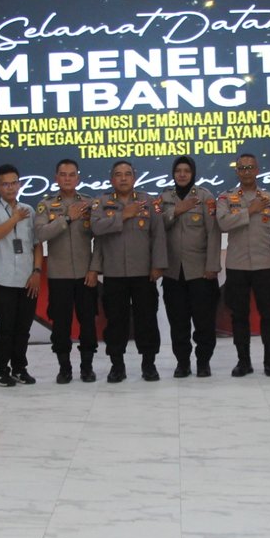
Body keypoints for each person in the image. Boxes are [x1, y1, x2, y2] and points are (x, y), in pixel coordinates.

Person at [91, 160, 168, 383]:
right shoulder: (101, 203)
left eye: (127, 174)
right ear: (111, 179)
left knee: (147, 320)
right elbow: (96, 228)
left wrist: (158, 265)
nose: (123, 178)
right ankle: (117, 365)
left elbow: (158, 235)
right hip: (114, 273)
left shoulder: (148, 202)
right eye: (118, 174)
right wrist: (122, 215)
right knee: (116, 321)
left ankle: (149, 364)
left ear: (134, 178)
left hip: (144, 273)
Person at [217, 151, 270, 377]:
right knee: (239, 315)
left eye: (250, 167)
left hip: (265, 265)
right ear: (237, 171)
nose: (246, 171)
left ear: (257, 170)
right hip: (237, 266)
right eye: (242, 168)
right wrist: (250, 211)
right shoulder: (225, 198)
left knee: (269, 315)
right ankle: (243, 362)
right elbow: (223, 224)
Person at [35, 158, 99, 384]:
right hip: (59, 275)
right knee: (60, 324)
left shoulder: (90, 203)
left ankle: (87, 367)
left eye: (72, 175)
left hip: (85, 274)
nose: (68, 179)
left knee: (88, 321)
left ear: (78, 178)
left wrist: (94, 269)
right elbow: (40, 234)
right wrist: (67, 218)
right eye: (63, 174)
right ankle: (64, 368)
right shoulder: (46, 205)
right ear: (56, 178)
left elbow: (100, 239)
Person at [158, 155, 221, 378]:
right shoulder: (164, 198)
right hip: (173, 272)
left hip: (200, 271)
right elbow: (156, 228)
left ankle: (203, 362)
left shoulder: (205, 197)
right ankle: (182, 363)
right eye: (178, 171)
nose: (182, 174)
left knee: (204, 322)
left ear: (193, 173)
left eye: (186, 171)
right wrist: (176, 210)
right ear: (173, 174)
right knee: (178, 322)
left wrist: (212, 265)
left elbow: (213, 233)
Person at [0, 163, 40, 386]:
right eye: (5, 184)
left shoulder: (29, 210)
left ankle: (19, 368)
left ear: (20, 184)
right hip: (3, 278)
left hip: (27, 278)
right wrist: (15, 218)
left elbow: (36, 244)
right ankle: (1, 371)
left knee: (23, 328)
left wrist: (37, 271)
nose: (11, 187)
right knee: (6, 327)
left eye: (14, 183)